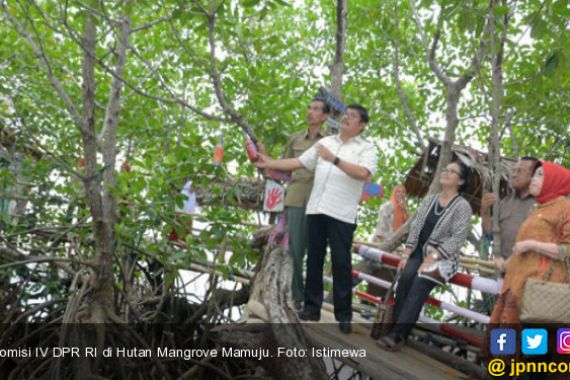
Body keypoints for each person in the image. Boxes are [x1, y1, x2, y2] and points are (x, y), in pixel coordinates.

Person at [256, 104, 377, 334]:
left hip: (341, 213)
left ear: (361, 125)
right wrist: (269, 161)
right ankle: (311, 308)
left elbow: (363, 174)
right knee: (314, 259)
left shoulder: (366, 148)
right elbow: (298, 163)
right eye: (345, 115)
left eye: (352, 117)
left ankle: (343, 315)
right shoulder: (326, 143)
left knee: (341, 262)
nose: (346, 119)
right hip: (316, 208)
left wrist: (334, 160)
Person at [377, 161, 473, 350]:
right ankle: (396, 328)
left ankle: (398, 335)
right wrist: (406, 254)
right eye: (445, 169)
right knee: (405, 279)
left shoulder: (463, 207)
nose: (445, 172)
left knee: (419, 284)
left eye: (452, 172)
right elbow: (416, 227)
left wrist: (434, 257)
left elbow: (458, 237)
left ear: (461, 181)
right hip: (418, 255)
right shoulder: (430, 200)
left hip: (443, 259)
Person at [490, 161, 570, 326]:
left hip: (541, 293)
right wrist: (504, 265)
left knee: (532, 346)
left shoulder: (565, 208)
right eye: (534, 174)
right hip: (516, 288)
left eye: (540, 175)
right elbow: (523, 252)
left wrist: (531, 245)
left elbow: (567, 250)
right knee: (505, 345)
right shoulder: (538, 209)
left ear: (554, 180)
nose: (533, 179)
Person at [282, 98, 330, 311]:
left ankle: (312, 302)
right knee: (295, 251)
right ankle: (296, 296)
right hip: (296, 198)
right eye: (309, 108)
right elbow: (282, 167)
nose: (310, 112)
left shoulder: (331, 142)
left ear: (325, 116)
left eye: (316, 109)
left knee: (316, 253)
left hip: (321, 202)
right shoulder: (295, 140)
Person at [480, 157, 536, 273]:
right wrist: (484, 212)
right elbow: (490, 235)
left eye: (520, 171)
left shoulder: (541, 203)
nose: (514, 175)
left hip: (530, 271)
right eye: (514, 171)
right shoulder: (505, 202)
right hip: (502, 271)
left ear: (533, 176)